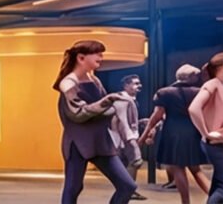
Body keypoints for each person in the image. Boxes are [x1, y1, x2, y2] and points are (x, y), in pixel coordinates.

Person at [54, 38, 137, 204]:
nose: (101, 57)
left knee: (127, 185)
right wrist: (107, 102)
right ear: (81, 58)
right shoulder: (68, 83)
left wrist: (113, 107)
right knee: (73, 188)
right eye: (97, 54)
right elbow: (78, 113)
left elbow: (104, 110)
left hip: (101, 140)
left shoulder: (94, 80)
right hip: (78, 142)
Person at [140, 65, 208, 204]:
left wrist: (144, 135)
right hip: (193, 131)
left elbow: (156, 116)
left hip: (172, 132)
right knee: (196, 169)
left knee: (177, 168)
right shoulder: (199, 92)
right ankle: (216, 196)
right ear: (191, 77)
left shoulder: (164, 92)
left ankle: (185, 202)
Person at [188, 52, 223, 204]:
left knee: (219, 183)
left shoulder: (220, 85)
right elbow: (193, 109)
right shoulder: (213, 84)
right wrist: (206, 133)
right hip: (216, 142)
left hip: (219, 141)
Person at [114, 75, 147, 200]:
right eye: (135, 83)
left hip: (126, 136)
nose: (139, 86)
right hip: (125, 138)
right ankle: (128, 189)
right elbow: (121, 120)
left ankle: (127, 189)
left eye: (139, 83)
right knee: (134, 162)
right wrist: (130, 139)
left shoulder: (128, 99)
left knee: (128, 163)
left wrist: (140, 122)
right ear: (126, 85)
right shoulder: (123, 99)